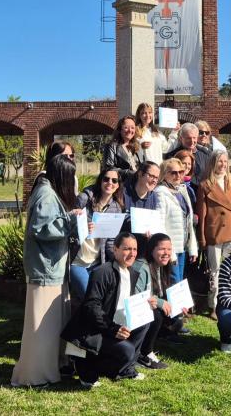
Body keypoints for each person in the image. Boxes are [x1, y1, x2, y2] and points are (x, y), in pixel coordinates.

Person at [11, 155, 78, 387]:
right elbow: (42, 229)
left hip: (52, 268)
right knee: (42, 325)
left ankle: (51, 368)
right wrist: (70, 222)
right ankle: (35, 374)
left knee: (50, 324)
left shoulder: (47, 191)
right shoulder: (46, 195)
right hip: (45, 268)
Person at [62, 232, 150, 388]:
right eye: (126, 249)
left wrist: (145, 304)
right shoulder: (103, 272)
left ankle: (125, 369)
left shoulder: (131, 272)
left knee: (146, 321)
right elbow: (91, 306)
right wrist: (112, 329)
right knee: (127, 351)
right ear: (115, 249)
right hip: (92, 331)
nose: (132, 253)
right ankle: (85, 366)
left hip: (113, 325)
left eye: (135, 249)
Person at [70, 169, 125, 301]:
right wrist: (79, 224)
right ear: (100, 181)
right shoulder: (84, 198)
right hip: (77, 261)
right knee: (90, 298)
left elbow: (111, 241)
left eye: (114, 180)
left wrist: (117, 263)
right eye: (106, 179)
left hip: (96, 262)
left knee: (95, 300)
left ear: (118, 185)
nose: (109, 183)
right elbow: (68, 221)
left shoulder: (116, 208)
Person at [196, 151, 231, 318]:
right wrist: (202, 238)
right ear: (213, 163)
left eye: (225, 161)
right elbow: (202, 215)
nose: (223, 164)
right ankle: (214, 305)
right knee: (215, 271)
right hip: (214, 233)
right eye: (219, 161)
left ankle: (229, 302)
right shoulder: (205, 185)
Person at [137, 233, 185, 369]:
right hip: (138, 311)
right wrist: (160, 303)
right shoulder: (143, 267)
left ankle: (157, 339)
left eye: (169, 249)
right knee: (157, 315)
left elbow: (162, 294)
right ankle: (145, 352)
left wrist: (179, 304)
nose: (166, 253)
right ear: (151, 249)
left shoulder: (162, 267)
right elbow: (140, 296)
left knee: (176, 319)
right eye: (162, 249)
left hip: (152, 304)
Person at [155, 158, 198, 283]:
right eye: (173, 172)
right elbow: (160, 224)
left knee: (179, 285)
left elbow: (188, 222)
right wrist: (169, 252)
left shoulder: (181, 191)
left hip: (182, 248)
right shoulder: (160, 193)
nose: (178, 175)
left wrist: (192, 247)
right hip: (171, 250)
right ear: (164, 174)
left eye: (181, 172)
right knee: (175, 285)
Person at [122, 161, 161, 260]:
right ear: (140, 174)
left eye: (157, 178)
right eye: (151, 176)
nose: (154, 181)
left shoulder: (154, 197)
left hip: (143, 252)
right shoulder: (123, 193)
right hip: (123, 250)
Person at [164, 122, 212, 191]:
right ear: (181, 138)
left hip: (201, 196)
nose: (192, 141)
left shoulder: (205, 155)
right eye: (188, 138)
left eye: (194, 138)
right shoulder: (172, 157)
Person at [103, 115, 139, 182]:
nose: (130, 130)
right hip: (120, 185)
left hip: (134, 184)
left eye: (132, 128)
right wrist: (128, 173)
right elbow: (108, 168)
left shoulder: (135, 147)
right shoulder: (111, 146)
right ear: (120, 129)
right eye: (126, 127)